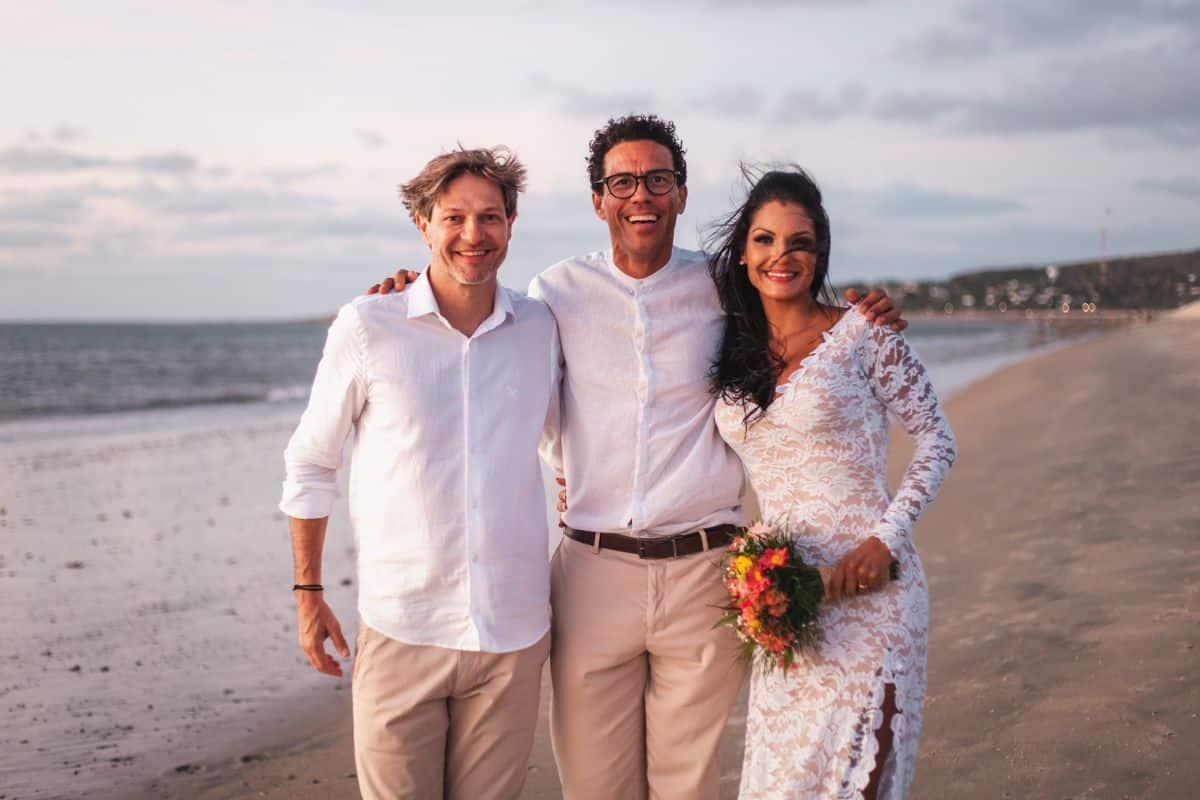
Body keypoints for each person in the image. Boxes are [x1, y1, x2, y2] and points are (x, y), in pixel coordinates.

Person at [369, 115, 906, 800]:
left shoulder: (724, 288)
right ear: (599, 200)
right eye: (622, 182)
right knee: (595, 787)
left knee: (687, 785)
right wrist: (403, 294)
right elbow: (481, 337)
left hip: (705, 574)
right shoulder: (553, 295)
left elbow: (797, 312)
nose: (641, 196)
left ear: (681, 194)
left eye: (657, 180)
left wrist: (863, 312)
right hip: (592, 573)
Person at [279, 146, 560, 799]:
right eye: (454, 217)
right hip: (402, 628)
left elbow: (569, 435)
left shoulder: (540, 326)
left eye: (490, 218)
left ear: (511, 224)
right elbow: (311, 461)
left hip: (511, 635)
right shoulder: (368, 326)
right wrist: (307, 593)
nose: (473, 235)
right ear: (423, 222)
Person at [708, 166, 957, 799]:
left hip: (872, 591)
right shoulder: (728, 346)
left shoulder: (864, 333)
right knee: (785, 784)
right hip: (790, 599)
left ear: (820, 252)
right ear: (744, 252)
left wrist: (886, 539)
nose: (781, 256)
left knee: (854, 782)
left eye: (800, 242)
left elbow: (937, 440)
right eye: (765, 240)